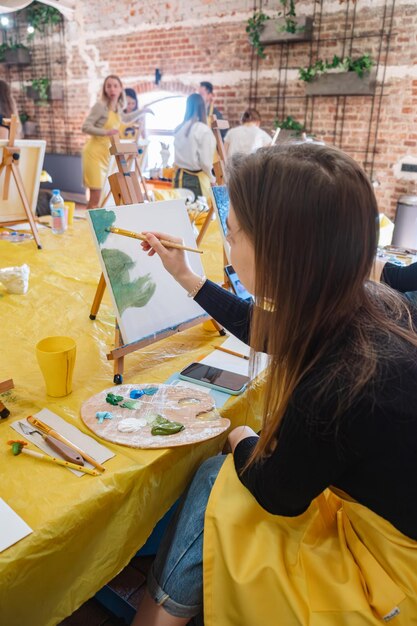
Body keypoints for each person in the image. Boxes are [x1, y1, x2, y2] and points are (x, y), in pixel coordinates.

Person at [132, 142, 417, 626]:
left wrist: (241, 439)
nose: (225, 240)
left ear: (280, 254)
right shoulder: (369, 303)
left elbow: (280, 495)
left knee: (213, 480)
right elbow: (265, 329)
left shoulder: (340, 381)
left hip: (389, 578)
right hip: (386, 521)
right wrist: (186, 277)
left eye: (234, 231)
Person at [81, 75, 150, 209]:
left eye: (115, 86)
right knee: (95, 196)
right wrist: (106, 132)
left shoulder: (118, 107)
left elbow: (125, 118)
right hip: (93, 154)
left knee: (104, 198)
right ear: (105, 89)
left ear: (120, 89)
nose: (112, 89)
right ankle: (89, 228)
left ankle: (98, 226)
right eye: (108, 86)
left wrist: (143, 111)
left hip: (106, 154)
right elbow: (86, 127)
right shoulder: (100, 106)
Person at [173, 92, 215, 202]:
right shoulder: (202, 130)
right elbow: (205, 162)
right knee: (198, 216)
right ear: (203, 107)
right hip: (195, 181)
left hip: (178, 177)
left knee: (182, 215)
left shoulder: (179, 128)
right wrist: (212, 178)